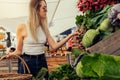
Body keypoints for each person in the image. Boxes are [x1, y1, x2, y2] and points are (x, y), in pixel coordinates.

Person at [6, 0, 80, 79]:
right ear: (36, 9)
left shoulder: (44, 27)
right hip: (27, 63)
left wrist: (70, 35)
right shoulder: (22, 27)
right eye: (44, 8)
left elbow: (54, 47)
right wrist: (11, 54)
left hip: (42, 60)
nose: (46, 10)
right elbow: (19, 51)